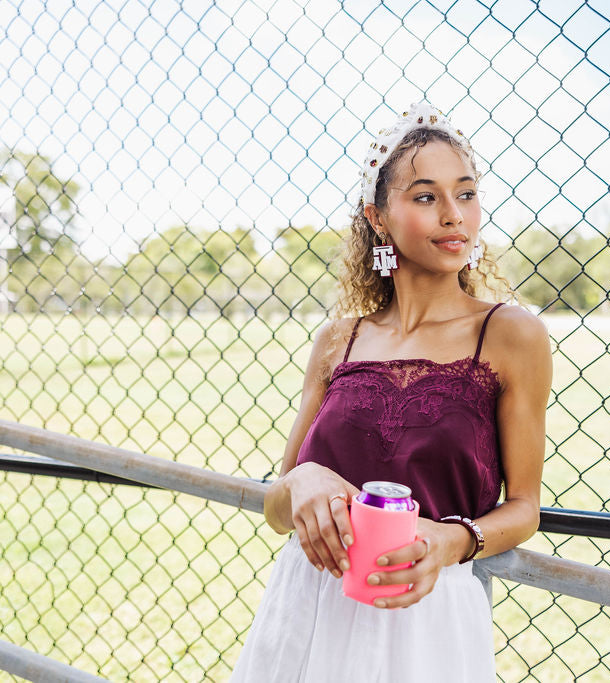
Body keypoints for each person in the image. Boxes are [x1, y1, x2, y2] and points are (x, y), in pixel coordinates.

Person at [230, 102, 552, 682]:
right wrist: (304, 478)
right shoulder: (338, 340)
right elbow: (278, 510)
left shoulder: (509, 335)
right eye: (426, 197)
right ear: (378, 218)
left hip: (425, 612)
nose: (455, 216)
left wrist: (454, 540)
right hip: (307, 604)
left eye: (467, 193)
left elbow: (525, 507)